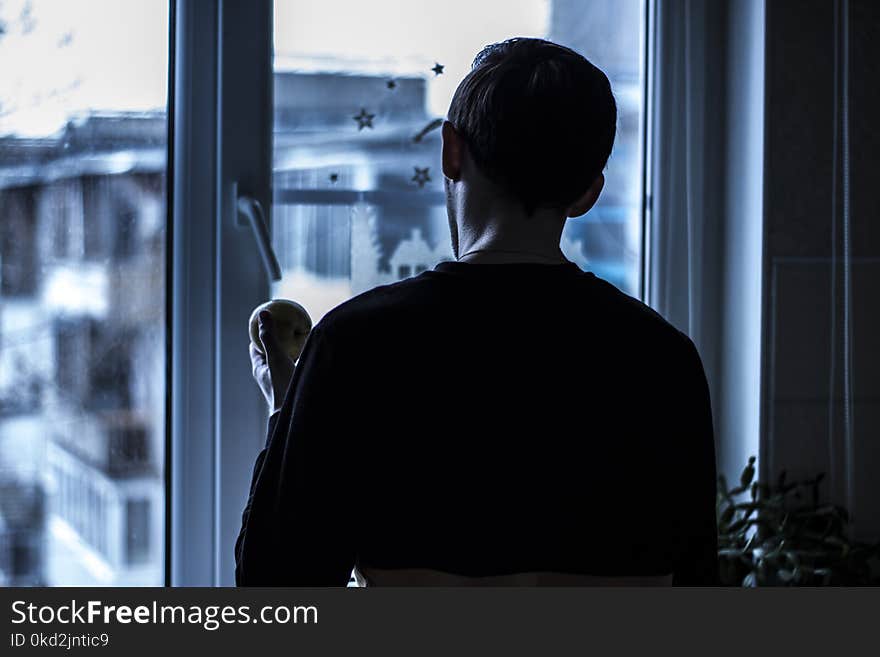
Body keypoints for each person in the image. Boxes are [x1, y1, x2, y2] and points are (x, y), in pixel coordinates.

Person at [235, 37, 719, 586]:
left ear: (450, 151)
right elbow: (695, 585)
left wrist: (288, 411)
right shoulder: (664, 360)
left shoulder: (358, 345)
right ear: (588, 193)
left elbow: (274, 590)